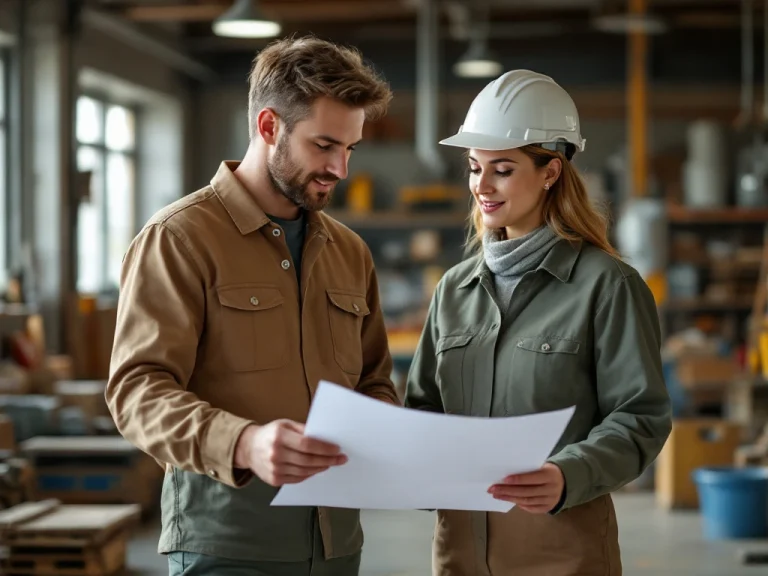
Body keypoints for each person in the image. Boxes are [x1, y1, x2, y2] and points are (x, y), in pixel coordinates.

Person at [106, 36, 399, 576]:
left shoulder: (350, 252)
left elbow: (374, 380)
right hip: (227, 549)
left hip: (337, 545)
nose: (340, 168)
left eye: (350, 149)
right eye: (324, 145)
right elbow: (137, 392)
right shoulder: (179, 238)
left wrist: (385, 427)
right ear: (269, 127)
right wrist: (244, 443)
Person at [404, 69, 672, 575]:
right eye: (474, 167)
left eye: (502, 169)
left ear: (550, 172)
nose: (481, 185)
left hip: (561, 556)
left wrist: (569, 474)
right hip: (459, 555)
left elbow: (640, 419)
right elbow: (424, 411)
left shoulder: (606, 286)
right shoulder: (453, 290)